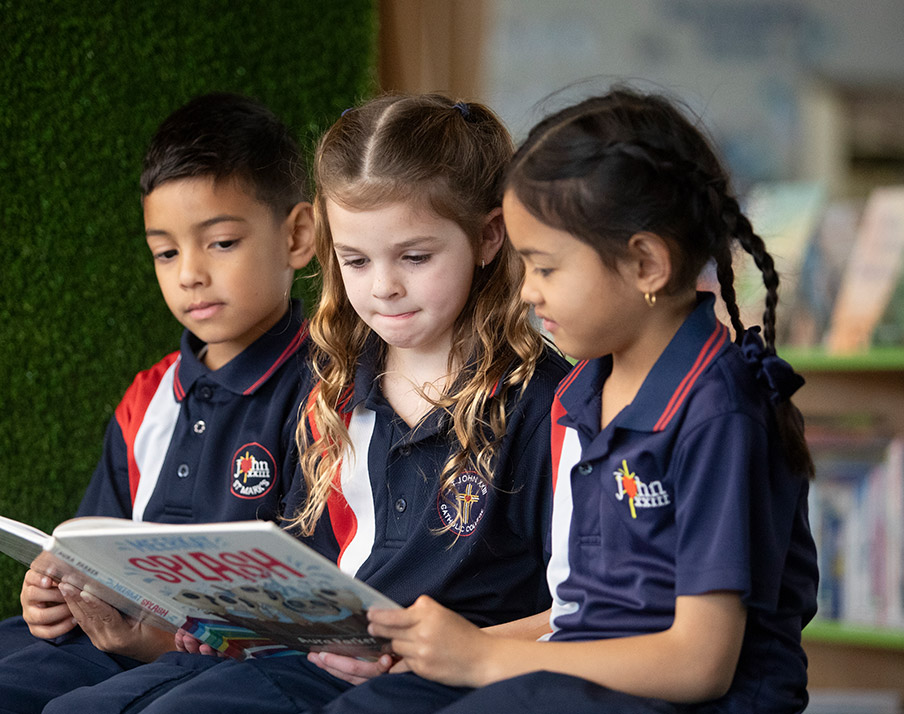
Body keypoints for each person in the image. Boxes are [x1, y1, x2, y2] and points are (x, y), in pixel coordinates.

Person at [46, 93, 571, 714]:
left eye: (415, 256)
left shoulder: (548, 404)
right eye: (355, 260)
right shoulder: (335, 395)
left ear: (487, 237)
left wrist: (456, 649)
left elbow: (578, 616)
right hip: (322, 665)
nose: (383, 287)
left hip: (451, 682)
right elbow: (307, 586)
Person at [322, 88, 818, 714]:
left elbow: (700, 665)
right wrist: (436, 651)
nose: (526, 292)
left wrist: (485, 659)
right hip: (582, 681)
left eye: (546, 268)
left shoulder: (718, 411)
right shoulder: (583, 393)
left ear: (645, 264)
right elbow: (580, 616)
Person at [0, 91, 319, 714]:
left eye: (221, 243)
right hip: (94, 639)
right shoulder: (148, 396)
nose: (189, 274)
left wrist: (157, 642)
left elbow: (314, 615)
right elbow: (87, 547)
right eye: (166, 251)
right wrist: (52, 589)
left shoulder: (327, 391)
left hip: (205, 664)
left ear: (297, 236)